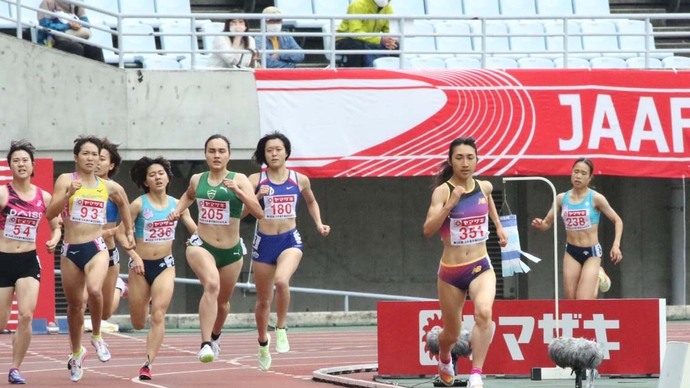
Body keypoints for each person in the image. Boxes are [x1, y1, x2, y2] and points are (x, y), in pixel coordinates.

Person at [46, 135, 134, 382]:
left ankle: (96, 336)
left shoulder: (107, 186)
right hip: (71, 249)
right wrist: (66, 196)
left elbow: (124, 203)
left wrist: (128, 230)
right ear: (76, 157)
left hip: (97, 247)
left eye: (95, 154)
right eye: (85, 154)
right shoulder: (66, 180)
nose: (91, 158)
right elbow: (50, 213)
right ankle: (76, 352)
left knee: (95, 291)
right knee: (74, 306)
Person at [168, 134, 263, 363]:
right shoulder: (197, 179)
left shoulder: (239, 179)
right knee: (211, 285)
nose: (216, 155)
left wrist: (239, 193)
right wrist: (177, 210)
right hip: (202, 245)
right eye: (212, 151)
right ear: (205, 154)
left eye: (221, 151)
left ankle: (216, 335)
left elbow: (259, 212)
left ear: (229, 154)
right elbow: (188, 196)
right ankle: (204, 344)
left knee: (223, 304)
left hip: (231, 251)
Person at [422, 137, 507, 388]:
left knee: (484, 313)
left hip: (481, 265)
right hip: (451, 272)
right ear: (450, 161)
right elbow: (428, 230)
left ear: (477, 160)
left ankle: (476, 374)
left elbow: (489, 201)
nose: (465, 163)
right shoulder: (443, 191)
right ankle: (445, 357)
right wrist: (451, 203)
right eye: (459, 158)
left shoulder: (484, 186)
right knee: (452, 333)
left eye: (470, 157)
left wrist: (499, 227)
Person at [247, 132, 330, 371]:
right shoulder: (256, 180)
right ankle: (263, 342)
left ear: (286, 152)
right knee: (263, 301)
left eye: (278, 149)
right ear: (264, 154)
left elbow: (311, 201)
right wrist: (255, 198)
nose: (273, 153)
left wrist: (318, 223)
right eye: (269, 150)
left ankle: (281, 327)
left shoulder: (299, 179)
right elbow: (243, 212)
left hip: (289, 240)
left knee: (282, 281)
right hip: (264, 242)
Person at [126, 156, 196, 380]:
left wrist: (196, 241)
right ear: (145, 181)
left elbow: (194, 230)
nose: (157, 177)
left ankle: (147, 364)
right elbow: (121, 231)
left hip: (165, 264)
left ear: (168, 177)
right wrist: (134, 255)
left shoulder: (178, 204)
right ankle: (142, 299)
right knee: (138, 323)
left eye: (161, 173)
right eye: (152, 175)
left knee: (158, 314)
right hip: (140, 267)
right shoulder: (138, 204)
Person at [0, 140, 61, 384]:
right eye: (16, 160)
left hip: (28, 261)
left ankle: (15, 368)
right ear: (10, 166)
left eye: (25, 160)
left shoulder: (44, 196)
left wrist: (55, 239)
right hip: (3, 261)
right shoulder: (3, 193)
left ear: (32, 165)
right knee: (2, 321)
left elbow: (56, 226)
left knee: (26, 315)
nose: (21, 164)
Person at [531, 158, 623, 300]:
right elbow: (547, 223)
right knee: (571, 299)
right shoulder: (561, 198)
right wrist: (540, 224)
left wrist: (616, 245)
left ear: (590, 177)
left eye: (583, 173)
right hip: (572, 251)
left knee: (583, 300)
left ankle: (598, 277)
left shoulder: (596, 198)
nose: (578, 176)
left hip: (591, 253)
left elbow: (617, 220)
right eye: (576, 172)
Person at [83, 138, 125, 329]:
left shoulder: (114, 190)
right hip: (83, 247)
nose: (97, 162)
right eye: (94, 157)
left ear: (111, 165)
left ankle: (119, 286)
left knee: (105, 312)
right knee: (81, 300)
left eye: (102, 158)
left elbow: (130, 218)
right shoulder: (81, 185)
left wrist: (112, 231)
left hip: (107, 251)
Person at [335, 0, 398, 68]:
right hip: (345, 39)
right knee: (357, 46)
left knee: (395, 46)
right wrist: (380, 40)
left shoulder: (388, 8)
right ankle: (355, 75)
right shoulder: (357, 5)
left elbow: (389, 31)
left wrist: (390, 41)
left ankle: (394, 75)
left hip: (369, 40)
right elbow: (355, 33)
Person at [37, 0, 104, 62]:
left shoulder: (77, 3)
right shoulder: (47, 2)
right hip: (53, 42)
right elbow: (45, 25)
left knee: (95, 49)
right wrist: (68, 26)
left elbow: (86, 23)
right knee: (76, 48)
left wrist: (78, 25)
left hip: (75, 38)